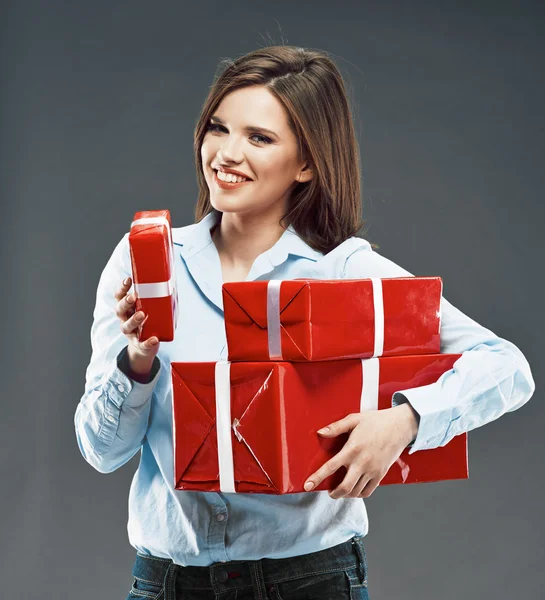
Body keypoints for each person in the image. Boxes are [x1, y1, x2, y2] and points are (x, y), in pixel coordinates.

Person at [74, 45, 535, 600]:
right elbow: (102, 452)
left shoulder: (344, 270)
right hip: (166, 583)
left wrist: (405, 421)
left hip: (309, 582)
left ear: (307, 163)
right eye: (218, 128)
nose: (226, 153)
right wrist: (137, 361)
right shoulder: (145, 262)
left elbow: (508, 367)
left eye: (259, 138)